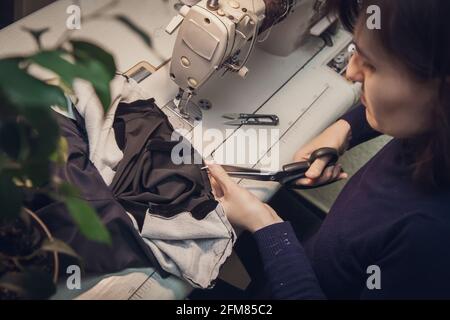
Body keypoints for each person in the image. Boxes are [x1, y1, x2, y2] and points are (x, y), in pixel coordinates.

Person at [207, 0, 450, 299]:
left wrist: (265, 227)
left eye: (372, 65)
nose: (350, 72)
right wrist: (343, 131)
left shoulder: (431, 241)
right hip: (319, 256)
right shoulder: (431, 131)